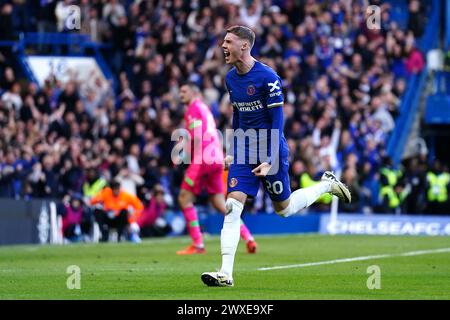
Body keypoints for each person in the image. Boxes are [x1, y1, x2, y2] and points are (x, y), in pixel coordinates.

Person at [201, 26, 351, 287]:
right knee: (231, 205)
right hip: (245, 149)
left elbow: (277, 121)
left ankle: (327, 184)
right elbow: (237, 116)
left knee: (284, 209)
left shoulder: (268, 78)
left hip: (271, 148)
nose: (223, 46)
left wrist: (269, 158)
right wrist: (234, 151)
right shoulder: (230, 79)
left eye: (228, 41)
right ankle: (226, 273)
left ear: (244, 46)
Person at [176, 82, 257, 255]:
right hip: (216, 157)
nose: (181, 94)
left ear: (194, 92)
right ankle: (248, 237)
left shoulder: (193, 109)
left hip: (203, 158)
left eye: (184, 91)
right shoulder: (204, 108)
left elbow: (197, 137)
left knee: (184, 198)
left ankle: (198, 244)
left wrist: (186, 157)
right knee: (220, 203)